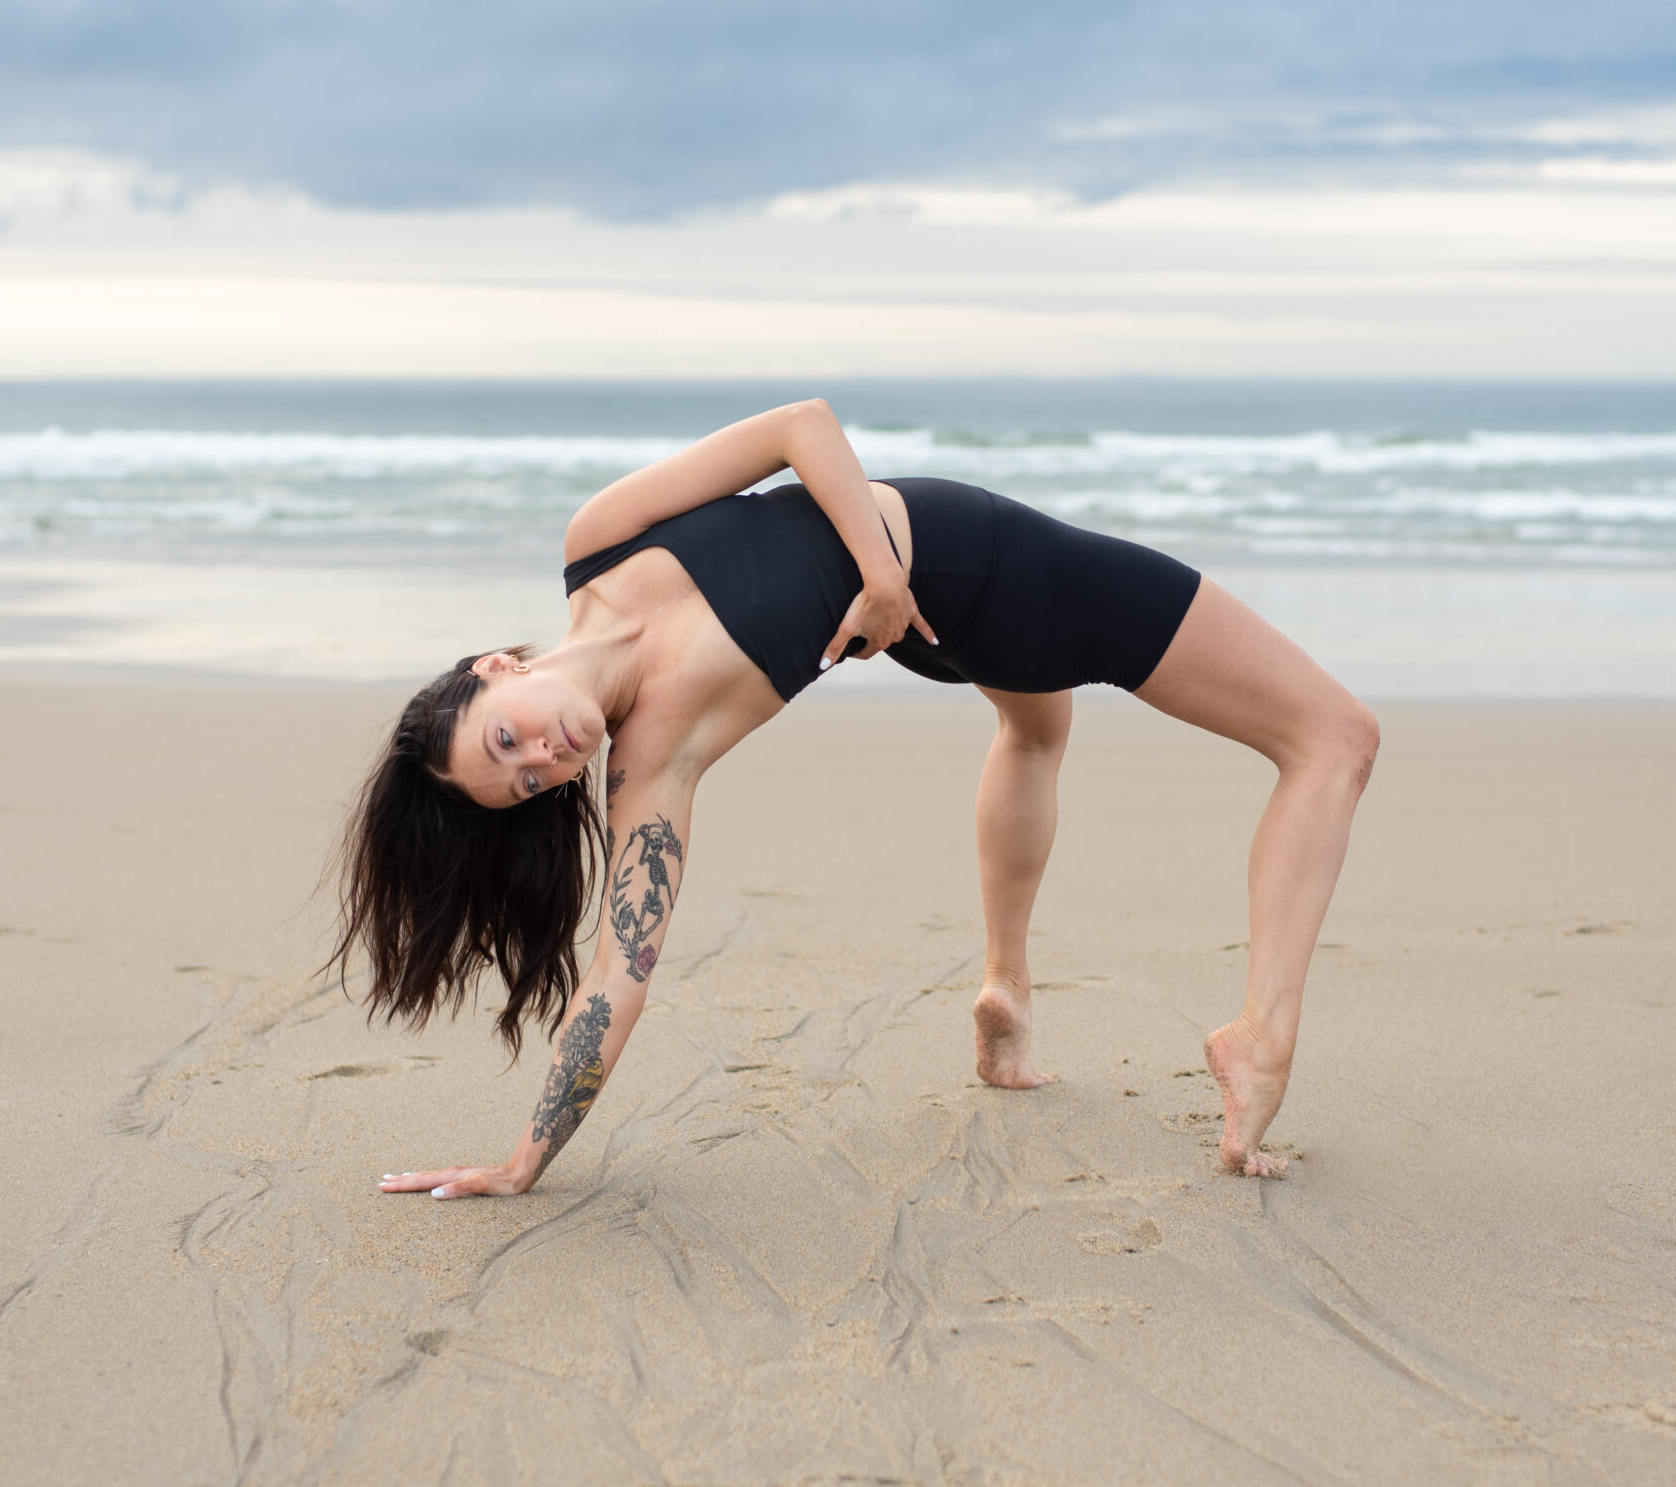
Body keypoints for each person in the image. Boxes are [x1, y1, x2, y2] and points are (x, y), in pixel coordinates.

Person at [335, 400, 1377, 1198]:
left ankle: (1005, 992)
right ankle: (1260, 1031)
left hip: (925, 611)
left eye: (510, 736)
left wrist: (880, 583)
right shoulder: (652, 763)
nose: (547, 757)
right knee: (1333, 735)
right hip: (997, 573)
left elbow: (800, 426)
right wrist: (523, 1156)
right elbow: (618, 971)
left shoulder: (600, 540)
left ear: (492, 668)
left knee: (1032, 726)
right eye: (527, 782)